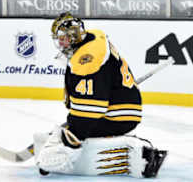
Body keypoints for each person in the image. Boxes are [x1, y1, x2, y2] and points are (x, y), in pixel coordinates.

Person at [33, 12, 167, 178]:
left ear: (74, 36)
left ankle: (142, 154)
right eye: (58, 37)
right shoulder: (91, 42)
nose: (59, 41)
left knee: (70, 134)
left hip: (116, 115)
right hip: (118, 108)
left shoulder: (88, 58)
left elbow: (90, 110)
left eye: (63, 37)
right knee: (70, 129)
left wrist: (71, 138)